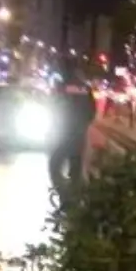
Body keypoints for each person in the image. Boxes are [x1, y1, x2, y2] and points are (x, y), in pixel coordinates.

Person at [49, 68, 98, 199]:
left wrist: (57, 121)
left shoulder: (63, 87)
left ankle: (64, 193)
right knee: (75, 162)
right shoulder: (85, 89)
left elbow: (55, 105)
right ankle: (75, 194)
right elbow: (92, 111)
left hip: (65, 131)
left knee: (55, 162)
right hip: (79, 132)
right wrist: (84, 123)